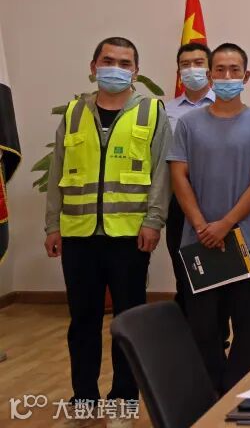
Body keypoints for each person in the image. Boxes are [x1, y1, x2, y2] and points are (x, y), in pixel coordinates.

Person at [43, 37, 169, 426]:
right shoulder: (74, 113)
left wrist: (153, 220)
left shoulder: (151, 111)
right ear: (93, 66)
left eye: (125, 62)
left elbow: (161, 172)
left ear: (136, 70)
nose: (116, 68)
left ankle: (123, 403)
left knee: (127, 324)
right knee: (82, 322)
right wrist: (52, 224)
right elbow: (57, 172)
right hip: (79, 234)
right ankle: (84, 400)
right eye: (108, 60)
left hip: (129, 236)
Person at [168, 42, 250, 392]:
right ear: (209, 74)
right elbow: (178, 176)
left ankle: (239, 393)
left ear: (246, 76)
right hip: (198, 241)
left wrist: (225, 224)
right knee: (203, 327)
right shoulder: (188, 124)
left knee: (248, 326)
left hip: (244, 242)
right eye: (220, 69)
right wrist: (202, 226)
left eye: (234, 70)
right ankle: (210, 395)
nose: (227, 76)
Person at [164, 42, 215, 316]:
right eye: (185, 65)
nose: (192, 69)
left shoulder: (225, 106)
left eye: (198, 63)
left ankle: (217, 332)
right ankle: (188, 330)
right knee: (184, 272)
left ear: (210, 70)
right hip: (179, 203)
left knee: (219, 273)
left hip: (217, 203)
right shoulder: (165, 111)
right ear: (178, 72)